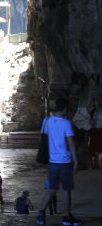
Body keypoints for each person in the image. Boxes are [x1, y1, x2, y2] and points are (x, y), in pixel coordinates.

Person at [36, 97, 81, 226]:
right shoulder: (66, 123)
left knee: (51, 189)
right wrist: (76, 161)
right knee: (66, 190)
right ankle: (67, 218)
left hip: (52, 162)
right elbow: (71, 144)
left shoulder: (47, 121)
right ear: (65, 109)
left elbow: (42, 140)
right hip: (65, 162)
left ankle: (40, 213)